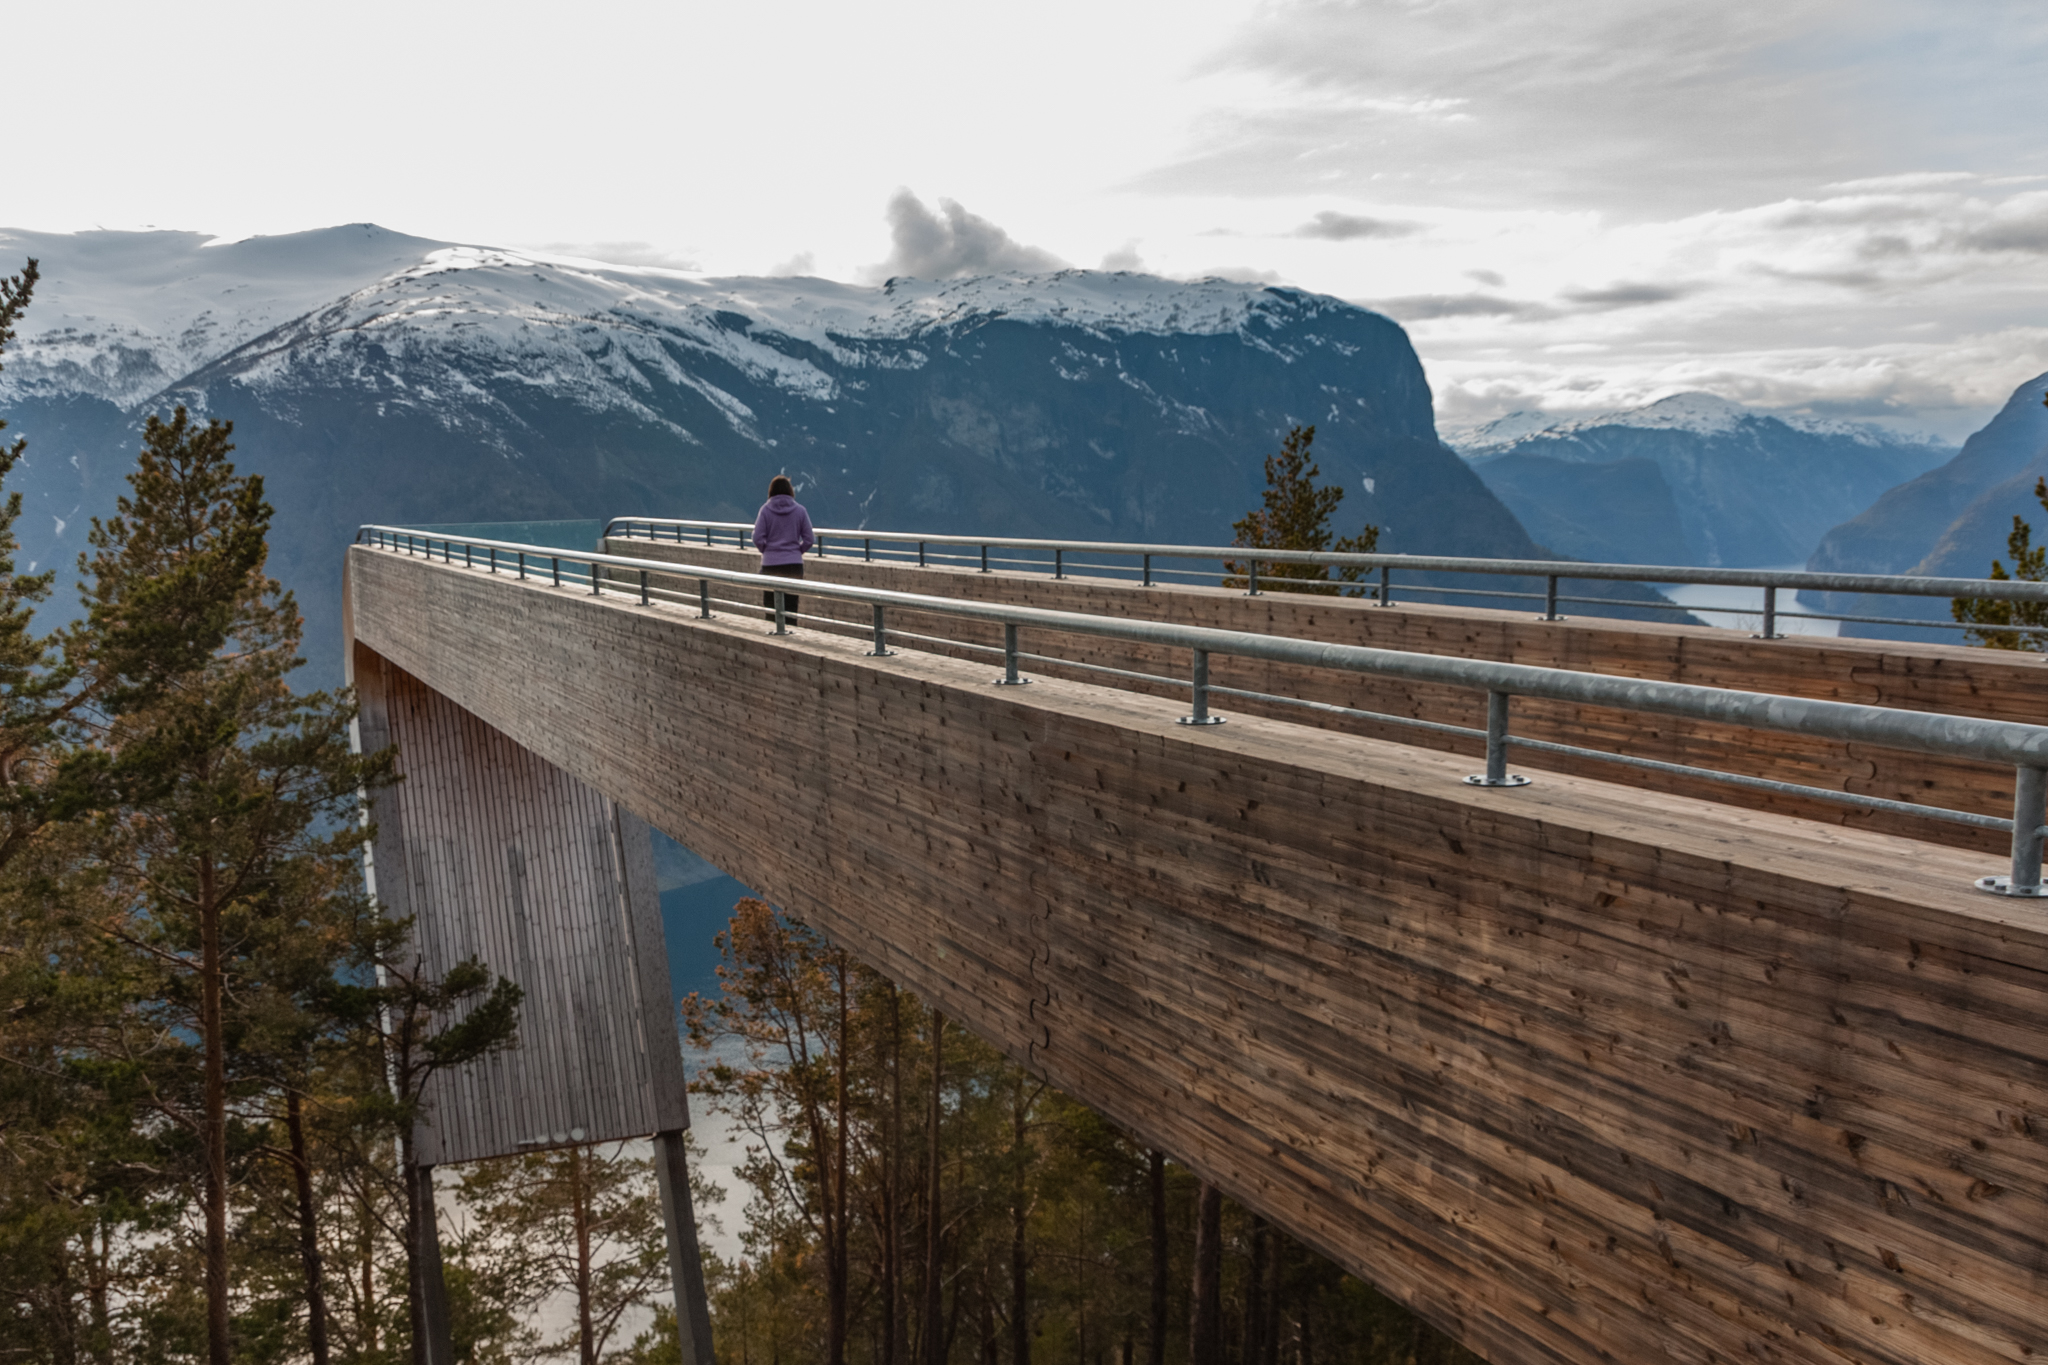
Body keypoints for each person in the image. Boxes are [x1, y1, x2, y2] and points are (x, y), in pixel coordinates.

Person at [752, 475, 814, 623]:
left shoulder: (765, 510)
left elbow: (757, 538)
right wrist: (797, 551)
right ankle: (791, 641)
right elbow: (810, 539)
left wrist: (767, 551)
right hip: (793, 565)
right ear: (790, 491)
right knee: (791, 610)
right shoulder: (800, 511)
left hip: (770, 565)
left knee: (771, 609)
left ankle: (773, 643)